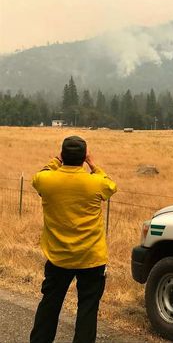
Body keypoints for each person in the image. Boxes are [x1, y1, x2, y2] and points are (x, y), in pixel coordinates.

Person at [30, 136, 117, 343]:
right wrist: (93, 164)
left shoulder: (46, 180)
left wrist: (55, 161)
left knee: (50, 304)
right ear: (83, 157)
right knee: (87, 309)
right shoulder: (96, 183)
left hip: (58, 257)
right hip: (91, 258)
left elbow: (39, 175)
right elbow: (111, 186)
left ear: (62, 155)